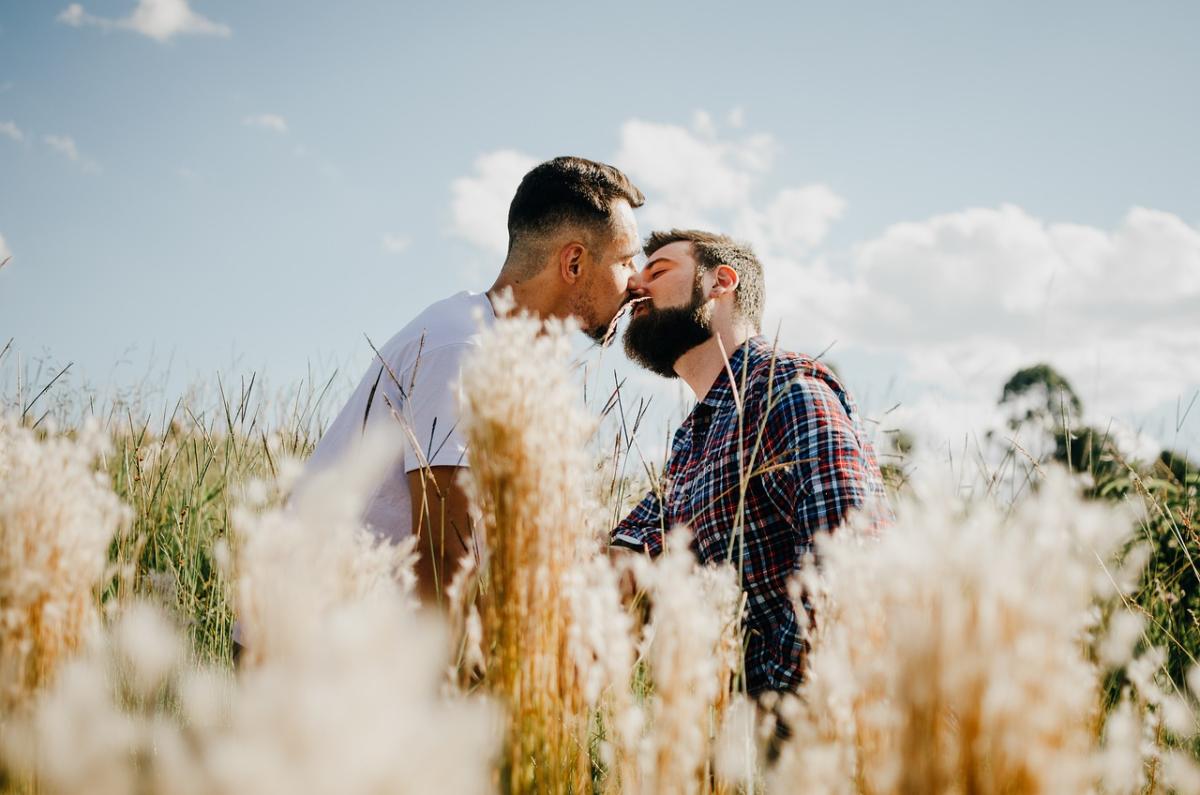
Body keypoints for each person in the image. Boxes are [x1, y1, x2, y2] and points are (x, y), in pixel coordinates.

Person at [297, 156, 645, 605]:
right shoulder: (464, 348)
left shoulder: (514, 364)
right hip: (326, 647)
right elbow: (443, 559)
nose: (636, 280)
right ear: (574, 262)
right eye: (626, 259)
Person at [611, 229, 887, 697]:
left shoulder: (786, 390)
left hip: (810, 738)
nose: (636, 283)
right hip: (738, 750)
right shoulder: (698, 437)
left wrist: (772, 720)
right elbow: (639, 543)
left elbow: (852, 567)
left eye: (657, 271)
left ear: (721, 282)